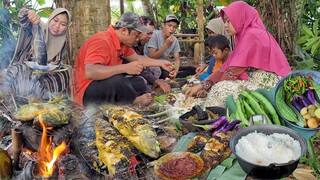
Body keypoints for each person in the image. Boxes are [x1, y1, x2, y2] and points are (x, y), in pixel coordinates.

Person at [185, 1, 291, 98]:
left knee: (221, 89)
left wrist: (211, 89)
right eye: (224, 21)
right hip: (259, 79)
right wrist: (200, 86)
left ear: (240, 18)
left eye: (228, 21)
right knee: (220, 87)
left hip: (272, 83)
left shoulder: (252, 34)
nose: (225, 25)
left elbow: (233, 71)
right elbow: (224, 68)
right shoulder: (242, 36)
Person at [73, 12, 173, 107]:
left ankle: (126, 101)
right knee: (118, 80)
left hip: (104, 84)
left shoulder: (122, 44)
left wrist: (160, 63)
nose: (137, 39)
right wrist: (125, 68)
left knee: (139, 83)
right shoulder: (101, 40)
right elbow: (90, 72)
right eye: (136, 35)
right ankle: (133, 101)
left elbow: (137, 58)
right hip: (86, 91)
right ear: (124, 30)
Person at [3, 7, 72, 101]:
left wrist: (53, 65)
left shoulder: (62, 41)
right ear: (50, 18)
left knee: (65, 73)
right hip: (26, 67)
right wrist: (29, 13)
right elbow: (23, 19)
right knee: (18, 70)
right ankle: (12, 94)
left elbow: (57, 60)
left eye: (63, 24)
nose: (57, 26)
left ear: (66, 27)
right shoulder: (36, 26)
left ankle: (42, 95)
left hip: (46, 73)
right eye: (55, 20)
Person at [144, 14, 195, 80]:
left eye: (174, 27)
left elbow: (177, 59)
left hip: (164, 64)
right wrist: (166, 45)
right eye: (169, 25)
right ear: (163, 25)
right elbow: (152, 56)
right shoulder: (154, 35)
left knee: (193, 69)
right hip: (152, 64)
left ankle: (173, 75)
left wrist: (176, 72)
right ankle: (168, 76)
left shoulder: (174, 40)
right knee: (165, 73)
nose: (172, 29)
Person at [133, 16, 171, 94]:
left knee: (156, 70)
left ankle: (151, 85)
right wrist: (155, 80)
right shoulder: (129, 43)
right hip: (128, 75)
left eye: (151, 33)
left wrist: (162, 63)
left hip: (139, 69)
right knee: (141, 81)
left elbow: (141, 62)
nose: (150, 36)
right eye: (148, 33)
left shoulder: (139, 44)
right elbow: (139, 65)